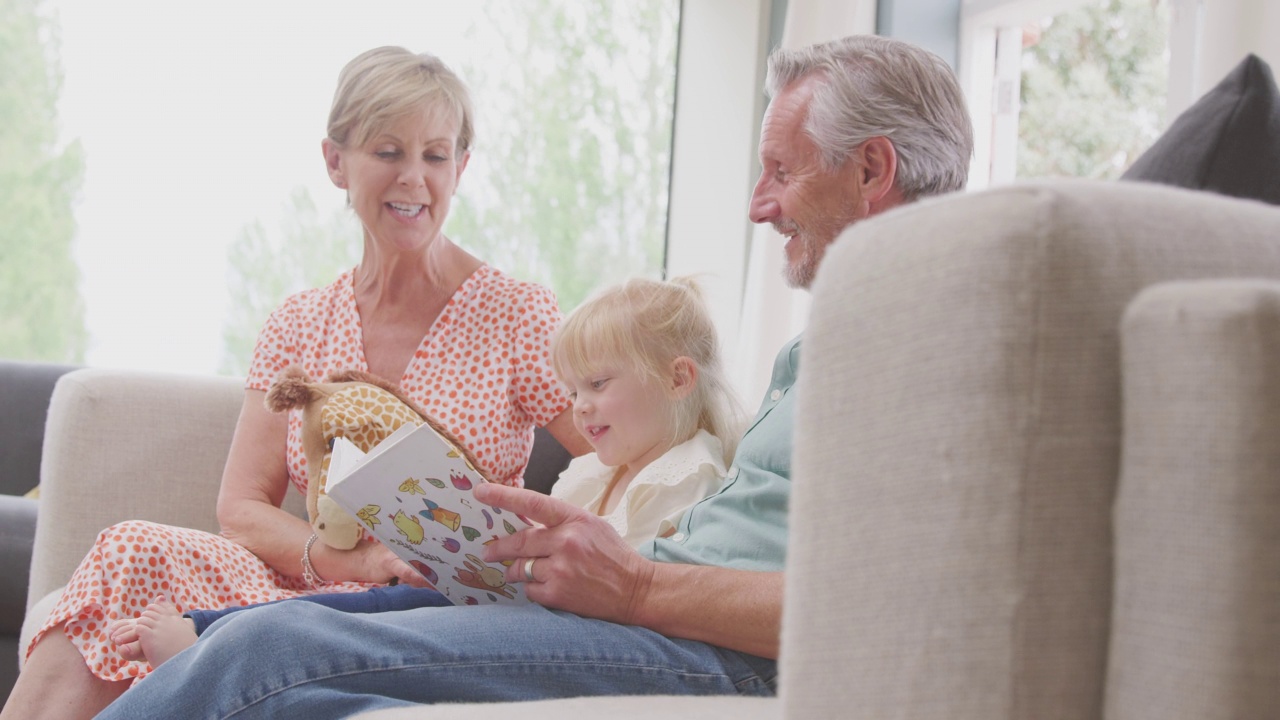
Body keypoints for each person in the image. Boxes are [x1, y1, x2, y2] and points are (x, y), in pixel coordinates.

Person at [91, 34, 974, 718]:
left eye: (781, 170)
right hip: (662, 612)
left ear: (872, 169)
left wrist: (632, 584)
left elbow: (887, 603)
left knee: (273, 652)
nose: (757, 203)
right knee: (300, 666)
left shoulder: (935, 342)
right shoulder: (830, 345)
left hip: (712, 650)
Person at [0, 46, 593, 720]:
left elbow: (610, 456)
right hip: (304, 585)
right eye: (388, 151)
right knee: (131, 547)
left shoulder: (517, 314)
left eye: (435, 155)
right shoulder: (300, 321)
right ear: (336, 161)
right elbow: (242, 506)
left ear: (461, 166)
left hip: (428, 608)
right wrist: (342, 563)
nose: (414, 179)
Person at [106, 276, 745, 669]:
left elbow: (652, 593)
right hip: (520, 608)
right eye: (573, 388)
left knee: (386, 609)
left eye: (597, 385)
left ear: (677, 378)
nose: (578, 406)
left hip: (560, 633)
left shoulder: (687, 474)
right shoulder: (588, 475)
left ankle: (206, 634)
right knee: (378, 602)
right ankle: (207, 632)